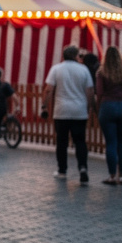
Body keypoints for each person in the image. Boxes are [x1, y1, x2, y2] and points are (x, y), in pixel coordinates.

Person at [41, 44, 94, 183]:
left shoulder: (56, 69)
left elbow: (49, 89)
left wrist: (44, 105)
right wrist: (88, 107)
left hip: (62, 110)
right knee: (80, 141)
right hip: (79, 110)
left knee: (62, 141)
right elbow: (89, 91)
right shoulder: (83, 69)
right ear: (76, 56)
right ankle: (82, 168)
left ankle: (62, 170)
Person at [94, 46, 122, 185]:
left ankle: (111, 176)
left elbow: (99, 92)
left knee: (111, 143)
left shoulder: (102, 72)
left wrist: (98, 107)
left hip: (108, 106)